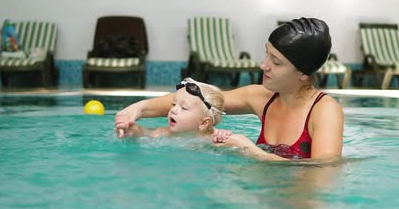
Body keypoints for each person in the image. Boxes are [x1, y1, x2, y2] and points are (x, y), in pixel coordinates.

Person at [115, 18, 343, 161]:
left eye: (276, 61)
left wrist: (249, 149)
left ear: (303, 73)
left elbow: (324, 171)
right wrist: (139, 108)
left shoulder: (324, 111)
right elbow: (199, 99)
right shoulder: (263, 97)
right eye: (267, 54)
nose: (264, 65)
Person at [121, 77, 225, 138]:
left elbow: (239, 142)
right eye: (174, 104)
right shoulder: (164, 133)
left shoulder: (213, 138)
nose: (173, 110)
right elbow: (143, 132)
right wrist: (129, 129)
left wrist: (224, 136)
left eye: (184, 108)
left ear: (203, 123)